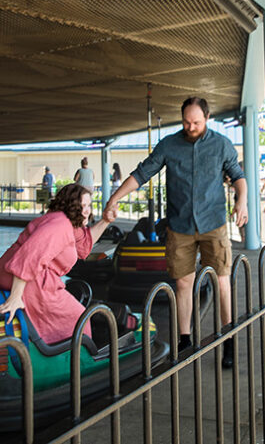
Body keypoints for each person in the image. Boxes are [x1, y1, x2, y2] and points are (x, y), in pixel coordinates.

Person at [103, 96, 247, 368]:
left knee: (221, 281)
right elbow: (142, 173)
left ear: (207, 118)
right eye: (186, 121)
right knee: (182, 283)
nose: (191, 127)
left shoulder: (221, 145)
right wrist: (115, 197)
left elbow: (238, 175)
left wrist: (242, 200)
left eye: (196, 122)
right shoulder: (169, 144)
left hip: (213, 223)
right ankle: (184, 339)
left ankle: (228, 340)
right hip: (180, 225)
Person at [0, 183, 117, 344]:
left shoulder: (68, 222)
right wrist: (15, 298)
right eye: (82, 205)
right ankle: (75, 360)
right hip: (26, 279)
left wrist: (106, 220)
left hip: (27, 276)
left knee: (75, 312)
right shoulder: (59, 226)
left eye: (89, 205)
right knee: (78, 315)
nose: (87, 210)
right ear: (71, 205)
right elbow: (29, 257)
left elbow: (83, 247)